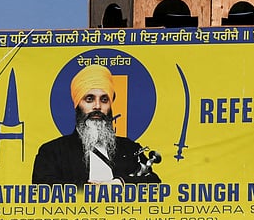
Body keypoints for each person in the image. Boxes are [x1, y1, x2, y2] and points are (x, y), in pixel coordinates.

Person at [32, 64, 161, 185]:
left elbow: (154, 183)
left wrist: (120, 183)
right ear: (78, 105)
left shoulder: (130, 148)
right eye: (89, 99)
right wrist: (93, 192)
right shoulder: (52, 151)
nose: (97, 106)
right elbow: (43, 188)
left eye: (104, 100)